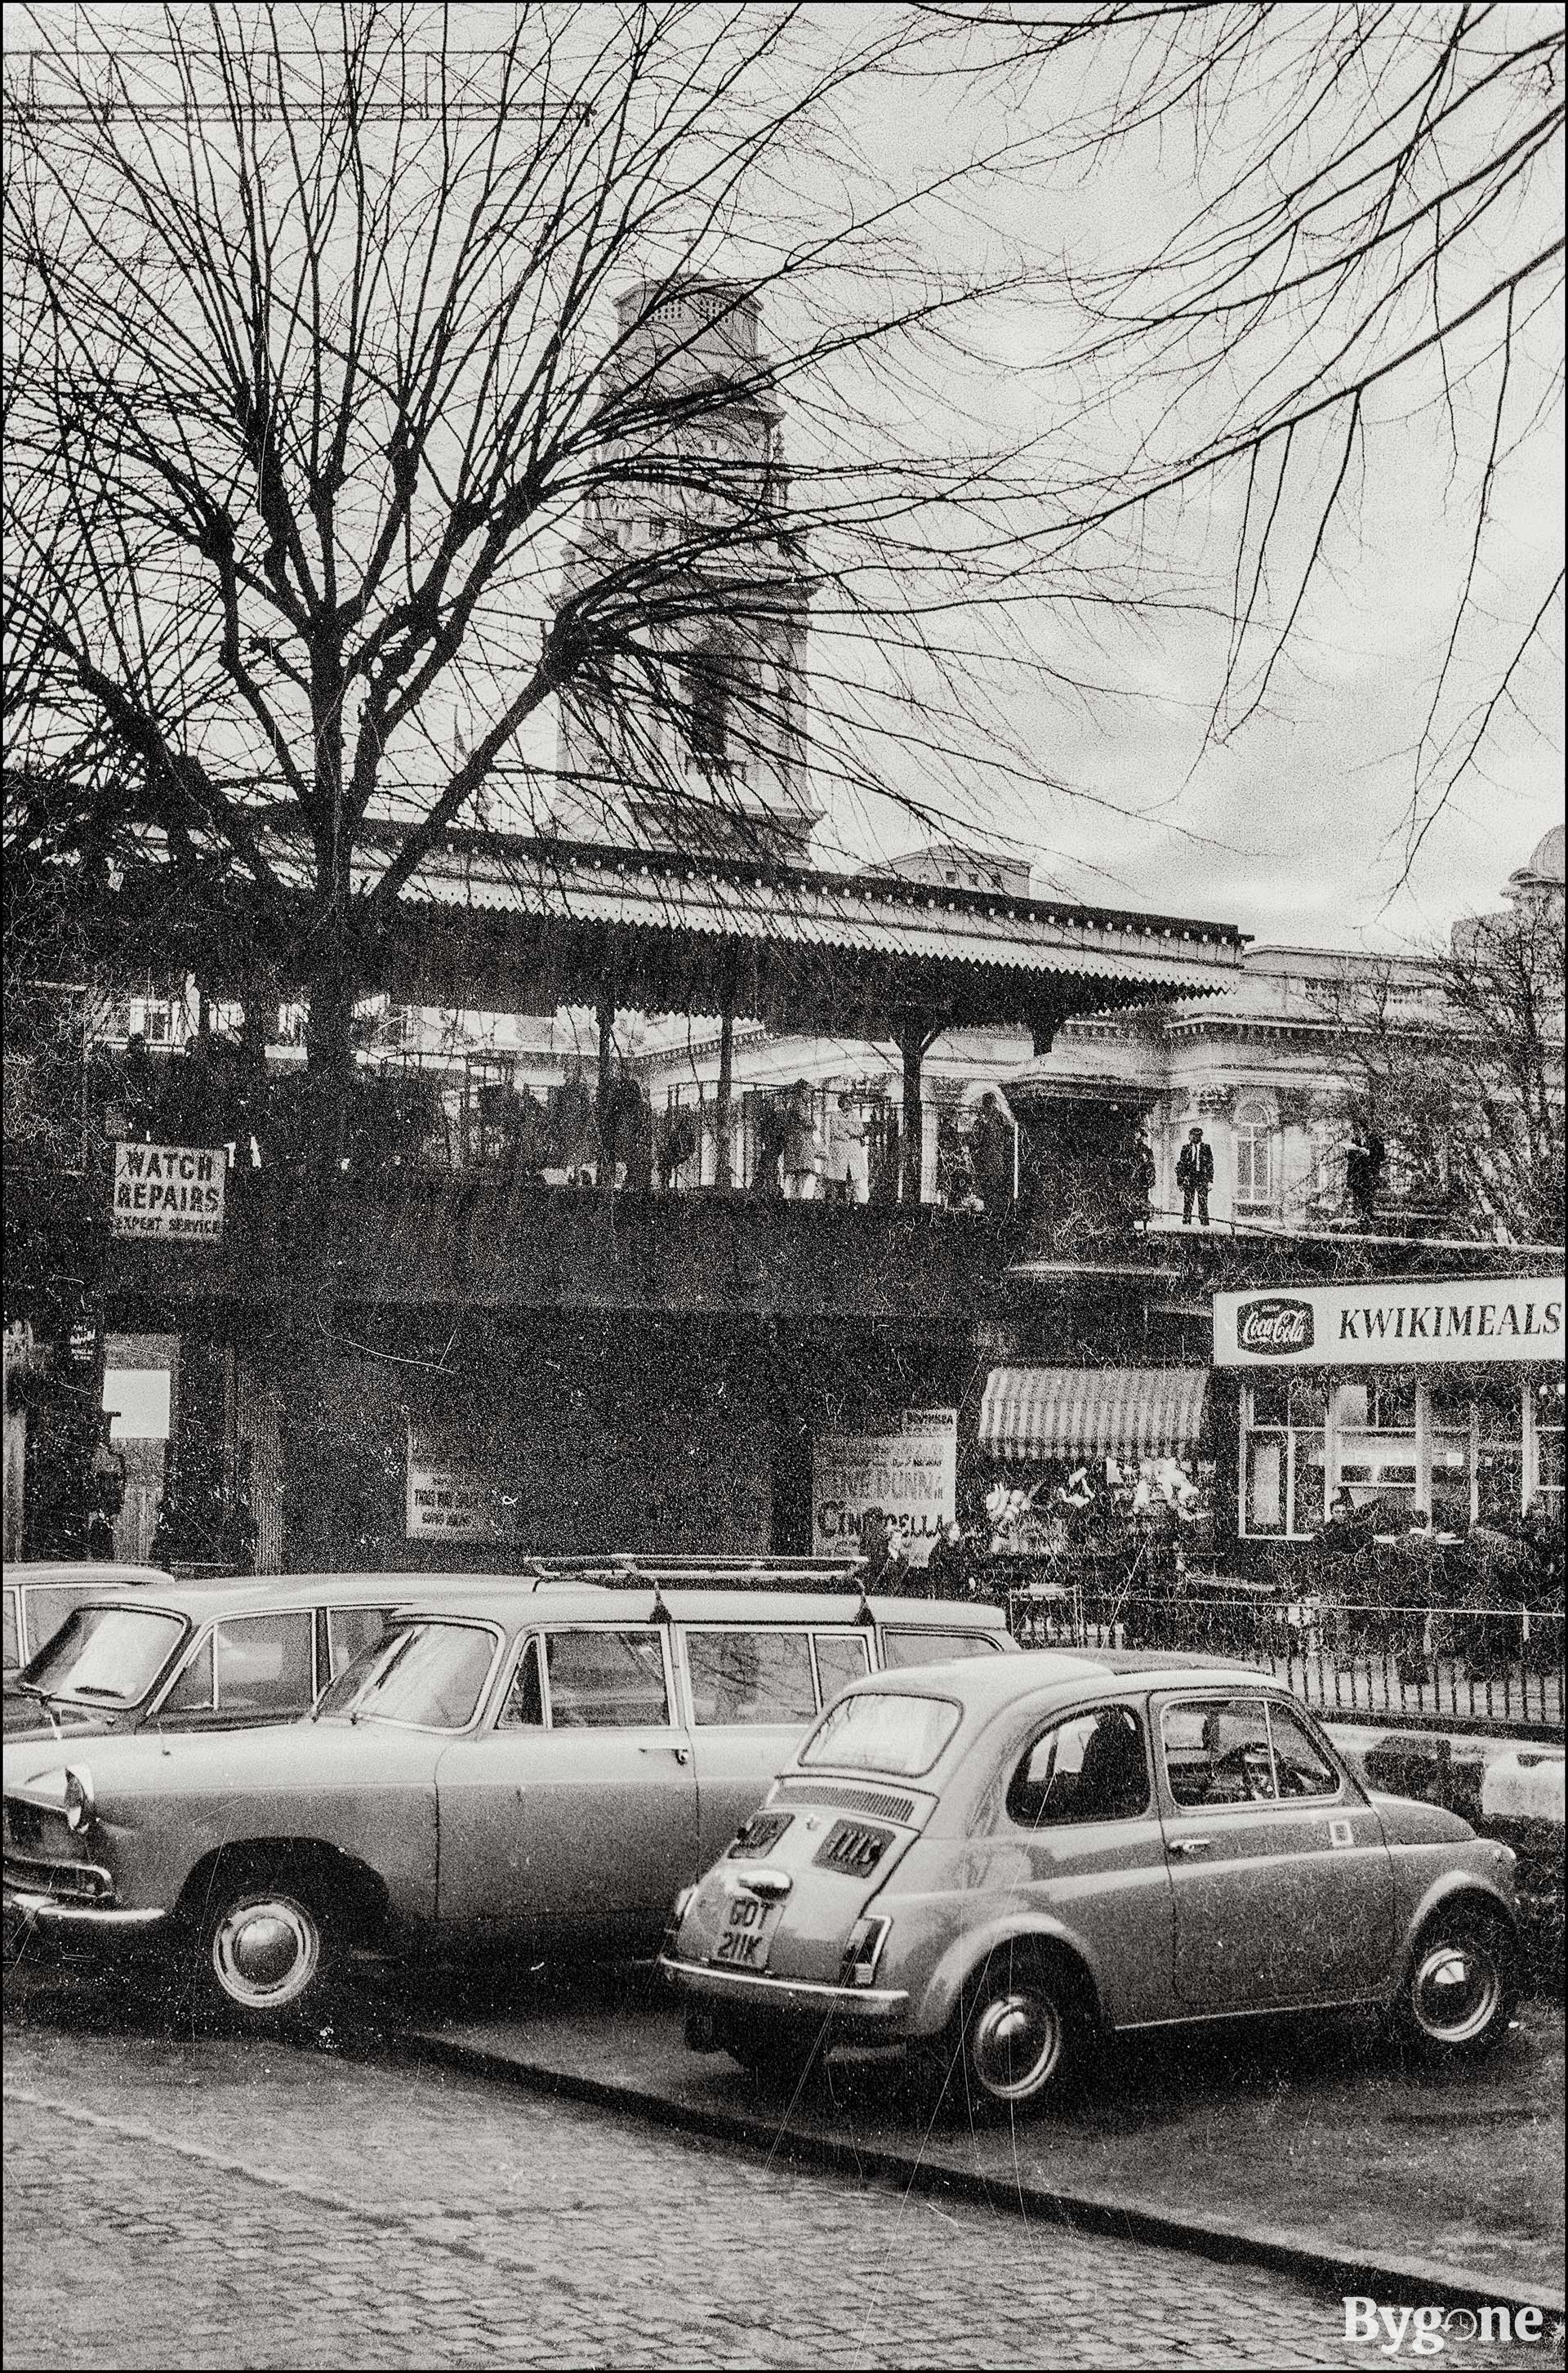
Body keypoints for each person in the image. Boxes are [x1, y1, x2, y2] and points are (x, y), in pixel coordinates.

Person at [967, 1093, 1014, 1211]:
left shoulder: (986, 1118)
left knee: (988, 1184)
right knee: (993, 1185)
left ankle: (989, 1207)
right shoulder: (999, 1117)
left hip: (989, 1158)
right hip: (995, 1158)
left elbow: (976, 1139)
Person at [824, 1091, 869, 1206]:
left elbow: (860, 1131)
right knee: (839, 1179)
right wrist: (848, 1135)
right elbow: (835, 1132)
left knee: (856, 1179)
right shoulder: (835, 1116)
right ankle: (841, 1203)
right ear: (841, 1103)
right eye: (845, 1102)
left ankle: (860, 1203)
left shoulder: (855, 1116)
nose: (848, 1104)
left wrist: (850, 1131)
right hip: (840, 1151)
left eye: (850, 1102)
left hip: (853, 1151)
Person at [781, 1082, 823, 1201]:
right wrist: (812, 1124)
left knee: (797, 1175)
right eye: (808, 1092)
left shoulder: (797, 1105)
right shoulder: (799, 1105)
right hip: (799, 1145)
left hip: (798, 1144)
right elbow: (805, 1121)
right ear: (802, 1092)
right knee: (800, 1173)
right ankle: (797, 1199)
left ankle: (795, 1198)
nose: (810, 1095)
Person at [924, 1518, 973, 1601]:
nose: (958, 1533)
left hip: (959, 1589)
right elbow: (933, 1571)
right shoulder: (939, 1550)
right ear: (947, 1533)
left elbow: (966, 1566)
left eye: (958, 1530)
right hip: (944, 1589)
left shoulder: (961, 1549)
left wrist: (970, 1577)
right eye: (954, 1530)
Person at [1176, 1126, 1213, 1227]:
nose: (1194, 1138)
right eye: (1192, 1135)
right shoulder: (1185, 1149)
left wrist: (1210, 1181)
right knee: (1188, 1202)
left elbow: (1210, 1165)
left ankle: (1205, 1225)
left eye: (1197, 1135)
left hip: (1202, 1178)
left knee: (1203, 1203)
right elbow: (1181, 1165)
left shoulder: (1206, 1148)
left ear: (1200, 1136)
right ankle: (1186, 1224)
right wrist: (1180, 1181)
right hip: (1189, 1178)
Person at [1129, 1133, 1156, 1232]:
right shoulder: (1130, 1148)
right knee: (1132, 1202)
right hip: (1133, 1181)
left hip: (1142, 1180)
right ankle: (1133, 1224)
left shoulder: (1145, 1149)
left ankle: (1145, 1226)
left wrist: (1151, 1179)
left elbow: (1151, 1165)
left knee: (1143, 1201)